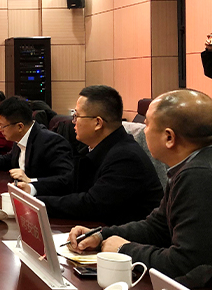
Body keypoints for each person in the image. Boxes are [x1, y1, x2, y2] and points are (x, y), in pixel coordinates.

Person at [69, 89, 212, 287]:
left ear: (169, 137)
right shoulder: (188, 167)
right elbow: (157, 227)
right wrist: (101, 234)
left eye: (147, 125)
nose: (142, 131)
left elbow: (186, 265)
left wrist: (124, 250)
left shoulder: (198, 175)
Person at [17, 85, 163, 225]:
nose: (73, 122)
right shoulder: (99, 147)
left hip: (125, 238)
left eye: (77, 116)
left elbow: (92, 205)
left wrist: (35, 203)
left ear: (98, 123)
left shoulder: (126, 157)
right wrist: (32, 189)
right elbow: (70, 182)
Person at [0, 96, 73, 180]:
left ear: (20, 126)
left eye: (2, 126)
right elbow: (9, 159)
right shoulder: (21, 137)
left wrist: (30, 182)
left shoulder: (51, 142)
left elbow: (65, 180)